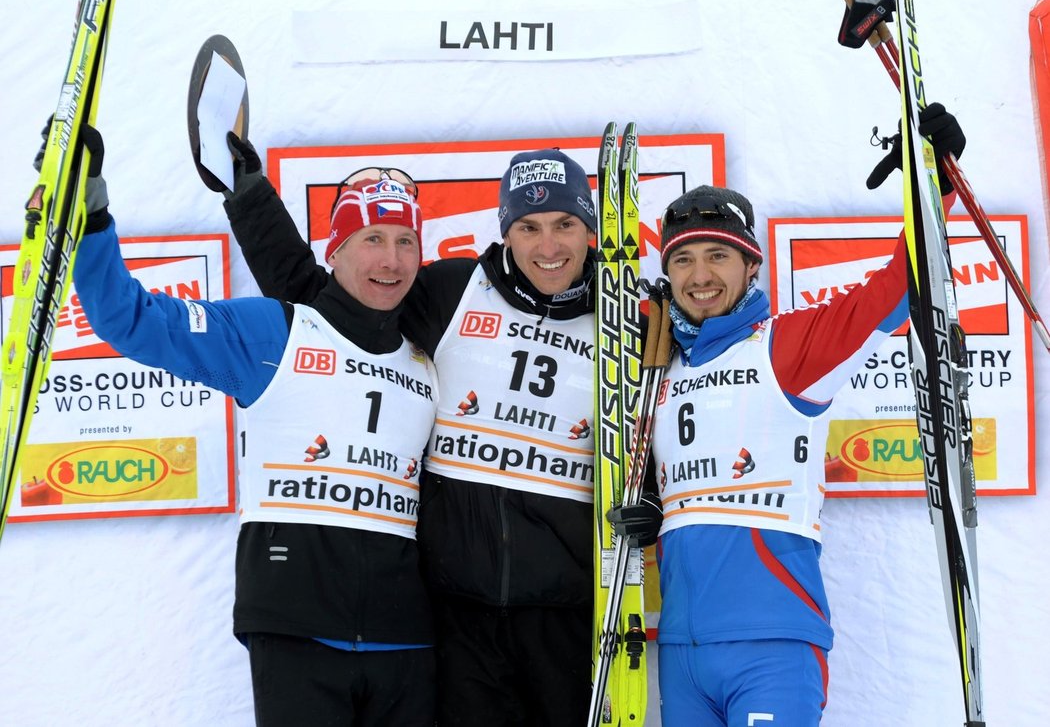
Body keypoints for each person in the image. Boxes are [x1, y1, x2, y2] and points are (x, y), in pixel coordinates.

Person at [607, 104, 966, 726]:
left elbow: (894, 291)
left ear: (752, 266)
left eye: (719, 256)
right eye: (683, 259)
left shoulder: (790, 347)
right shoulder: (654, 366)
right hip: (680, 650)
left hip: (772, 645)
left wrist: (932, 184)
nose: (700, 276)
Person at [67, 126, 439, 726]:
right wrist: (89, 214)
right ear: (336, 250)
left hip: (408, 643)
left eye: (404, 242)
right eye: (371, 239)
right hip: (296, 628)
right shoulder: (276, 333)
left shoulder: (427, 358)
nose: (391, 260)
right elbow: (129, 319)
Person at [223, 138, 602, 725]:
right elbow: (325, 304)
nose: (547, 246)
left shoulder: (625, 317)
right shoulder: (452, 291)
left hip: (567, 612)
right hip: (456, 615)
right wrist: (250, 198)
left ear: (589, 231)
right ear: (505, 231)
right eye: (528, 227)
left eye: (564, 224)